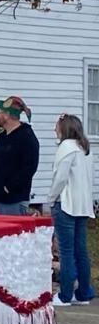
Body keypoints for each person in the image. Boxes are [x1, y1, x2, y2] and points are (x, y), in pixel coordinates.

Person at [46, 114, 94, 306]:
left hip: (66, 204)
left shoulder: (66, 147)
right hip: (83, 205)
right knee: (81, 251)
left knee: (66, 251)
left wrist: (50, 199)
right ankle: (83, 293)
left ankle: (65, 295)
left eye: (56, 125)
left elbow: (60, 178)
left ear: (63, 128)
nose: (54, 128)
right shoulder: (85, 148)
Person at [0, 96, 40, 215]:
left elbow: (29, 167)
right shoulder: (1, 138)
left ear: (6, 115)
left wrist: (9, 188)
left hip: (14, 202)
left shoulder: (27, 137)